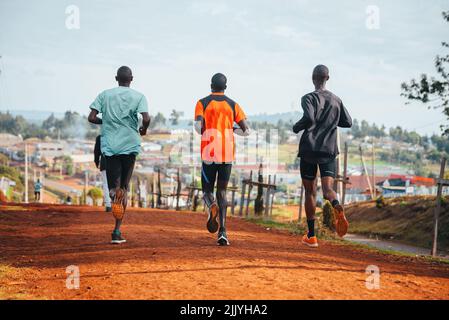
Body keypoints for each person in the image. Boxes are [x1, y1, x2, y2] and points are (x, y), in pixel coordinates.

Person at [88, 66, 150, 244]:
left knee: (114, 187)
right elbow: (146, 118)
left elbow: (91, 117)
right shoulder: (139, 96)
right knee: (125, 186)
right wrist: (143, 129)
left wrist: (105, 121)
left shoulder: (104, 95)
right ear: (132, 78)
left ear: (116, 78)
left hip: (111, 146)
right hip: (130, 145)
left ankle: (115, 193)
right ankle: (117, 230)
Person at [292, 65, 352, 248]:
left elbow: (309, 118)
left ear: (313, 78)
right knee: (327, 190)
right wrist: (331, 119)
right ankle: (335, 203)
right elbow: (347, 122)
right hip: (329, 150)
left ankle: (311, 236)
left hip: (309, 149)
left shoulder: (308, 98)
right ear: (328, 78)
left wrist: (297, 127)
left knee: (310, 191)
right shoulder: (336, 100)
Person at [194, 73, 250, 246]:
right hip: (226, 154)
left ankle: (211, 205)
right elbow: (246, 131)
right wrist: (231, 129)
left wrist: (206, 128)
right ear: (226, 87)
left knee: (207, 191)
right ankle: (223, 232)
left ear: (211, 85)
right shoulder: (233, 105)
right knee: (222, 192)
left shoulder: (202, 103)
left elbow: (197, 127)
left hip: (209, 153)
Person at [94, 135, 112, 212]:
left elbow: (96, 151)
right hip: (117, 164)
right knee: (117, 183)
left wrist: (97, 162)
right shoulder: (117, 135)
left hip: (104, 163)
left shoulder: (100, 137)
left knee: (106, 184)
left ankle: (108, 205)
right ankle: (118, 203)